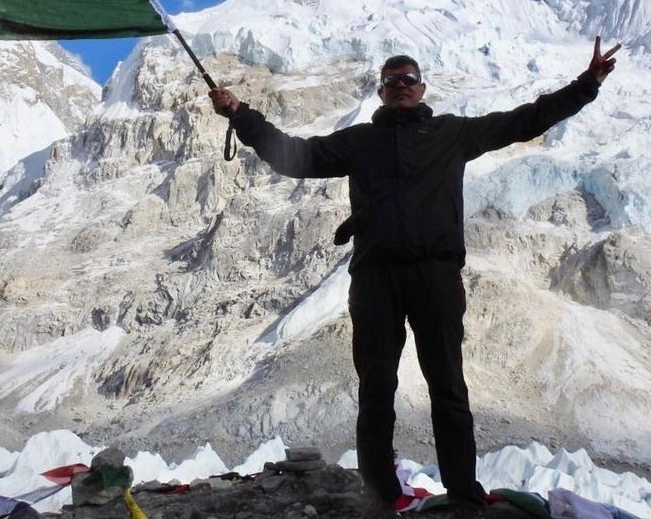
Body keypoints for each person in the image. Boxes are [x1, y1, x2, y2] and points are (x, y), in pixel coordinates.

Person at [209, 37, 620, 517]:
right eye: (392, 80)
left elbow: (525, 120)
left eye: (409, 79)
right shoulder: (359, 141)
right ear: (381, 92)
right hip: (376, 278)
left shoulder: (453, 133)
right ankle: (380, 497)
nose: (401, 85)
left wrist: (586, 84)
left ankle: (466, 498)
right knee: (376, 391)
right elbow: (293, 156)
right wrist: (241, 114)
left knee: (448, 387)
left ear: (422, 87)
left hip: (435, 274)